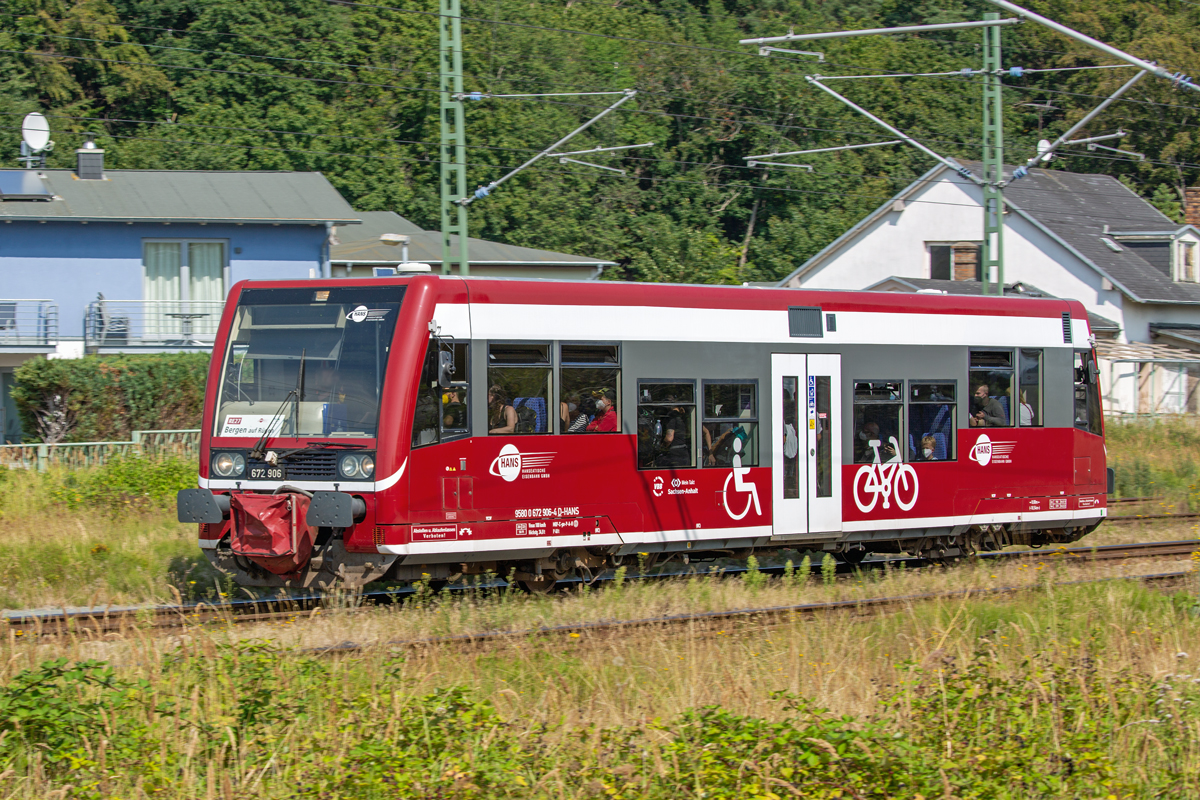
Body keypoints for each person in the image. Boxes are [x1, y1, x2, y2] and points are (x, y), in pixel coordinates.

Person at [655, 399, 691, 467]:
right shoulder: (684, 418)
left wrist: (662, 447)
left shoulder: (671, 417)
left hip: (674, 455)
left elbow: (669, 438)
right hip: (684, 453)